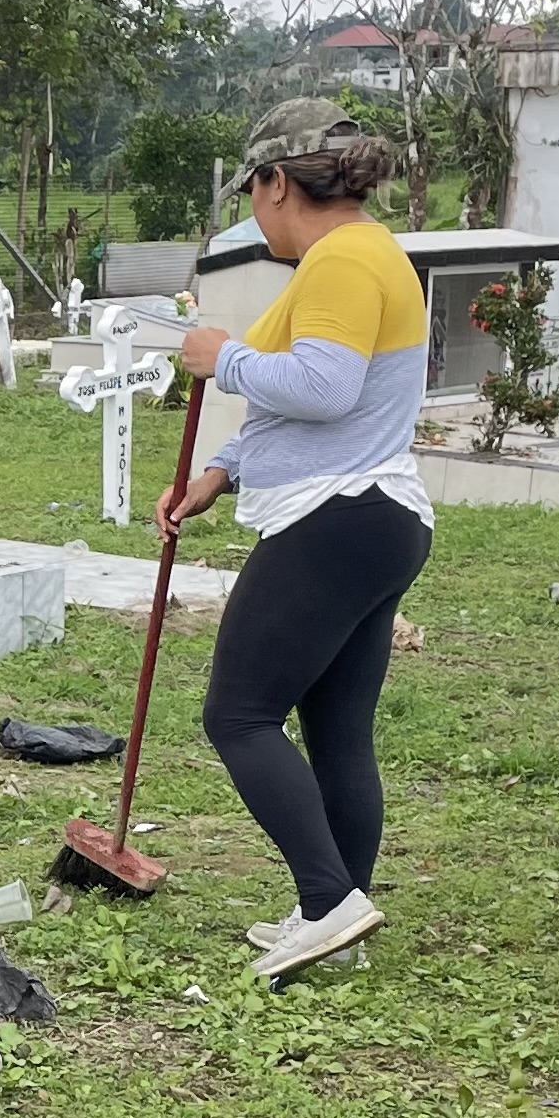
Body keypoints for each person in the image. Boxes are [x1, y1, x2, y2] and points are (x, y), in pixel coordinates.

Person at [163, 98, 433, 981]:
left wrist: (222, 358)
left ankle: (328, 900)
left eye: (253, 192)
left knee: (238, 715)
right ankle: (338, 914)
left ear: (278, 181)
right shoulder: (366, 253)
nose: (254, 211)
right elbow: (318, 407)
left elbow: (324, 388)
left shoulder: (342, 260)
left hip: (336, 519)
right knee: (336, 729)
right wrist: (222, 470)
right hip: (376, 516)